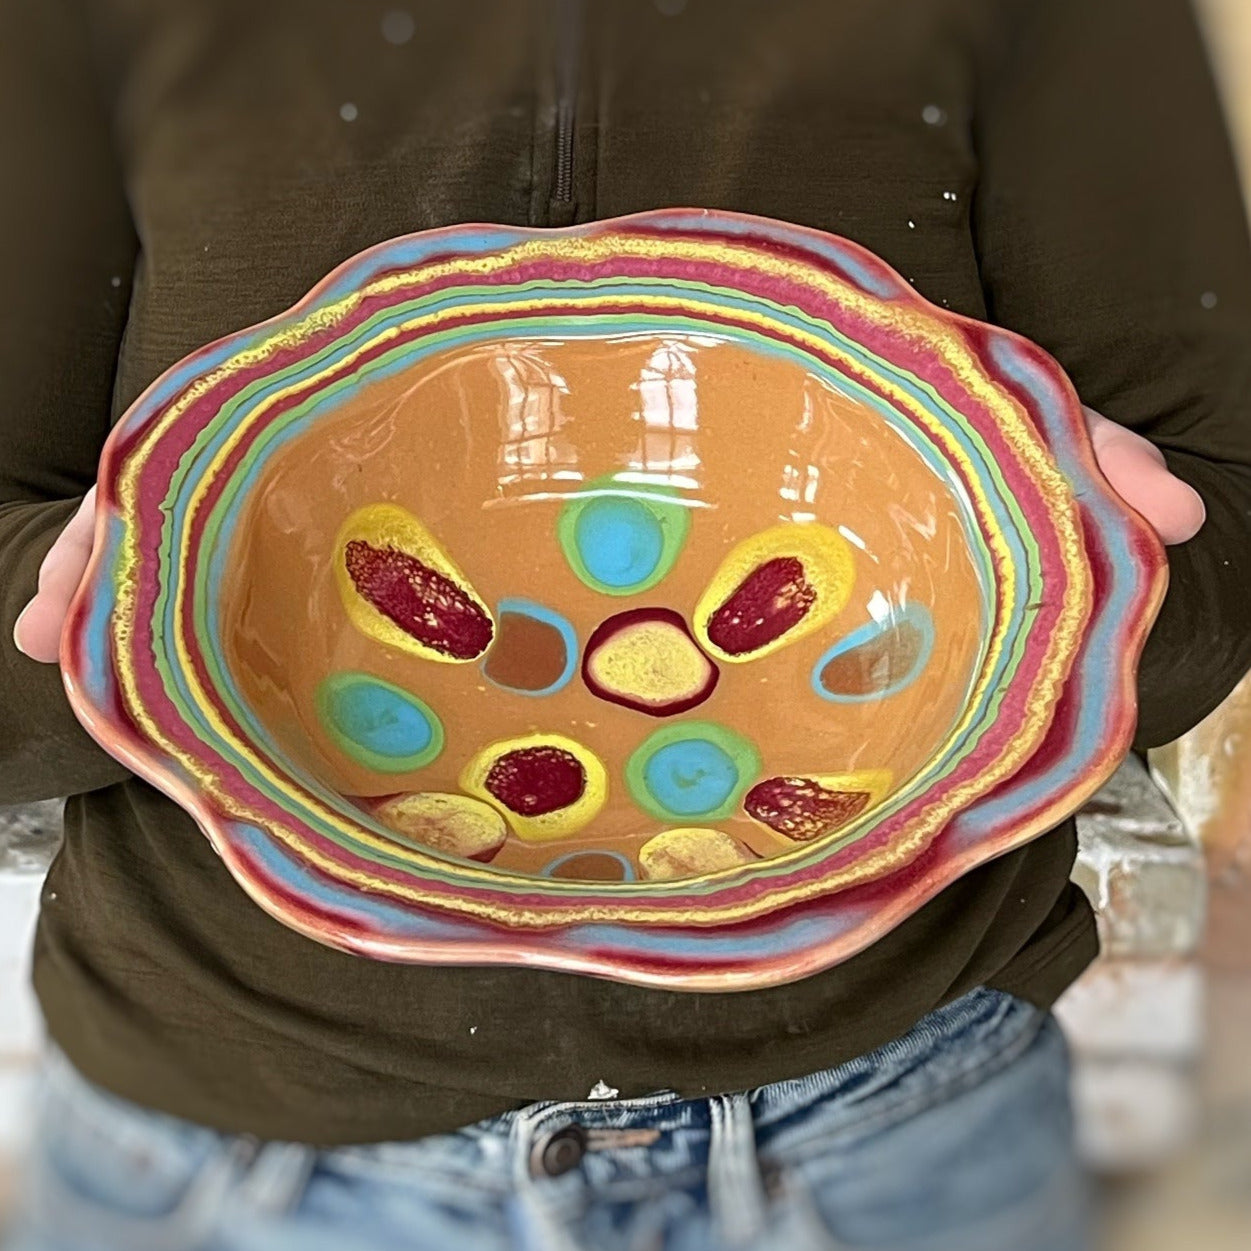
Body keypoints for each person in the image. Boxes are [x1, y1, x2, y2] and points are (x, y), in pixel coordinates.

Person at [1, 1, 1246, 1248]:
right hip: (234, 1149)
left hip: (888, 1127)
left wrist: (1058, 549)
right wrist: (137, 613)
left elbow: (1216, 539)